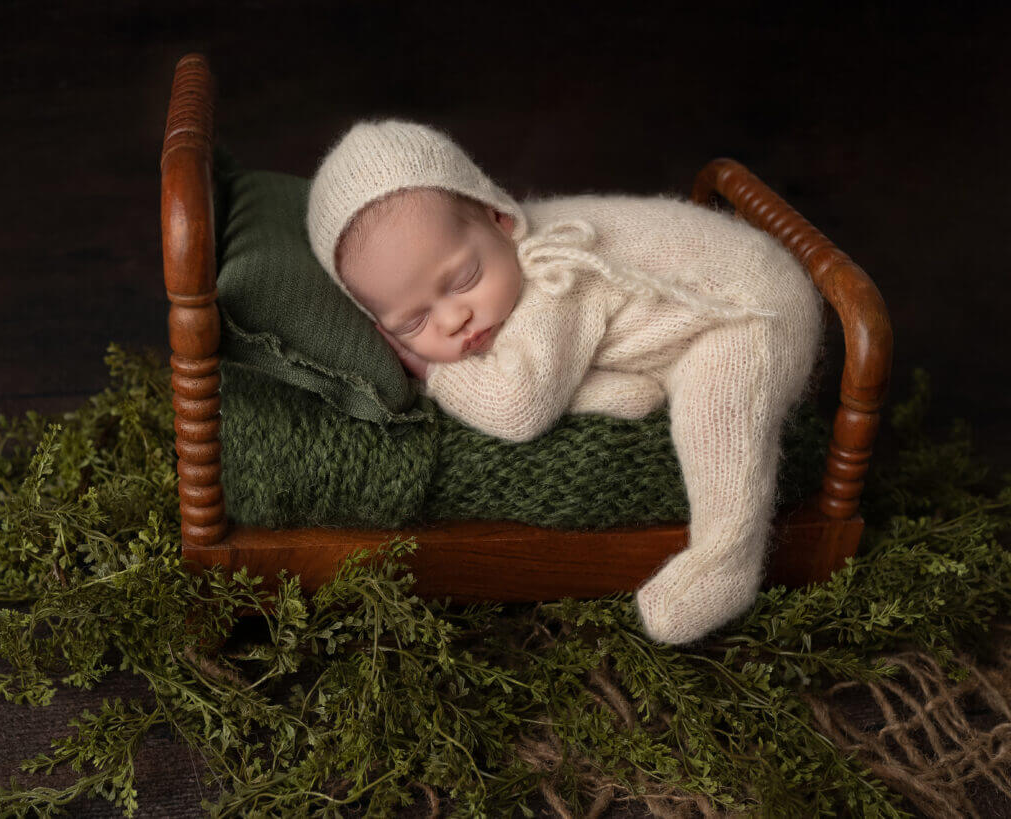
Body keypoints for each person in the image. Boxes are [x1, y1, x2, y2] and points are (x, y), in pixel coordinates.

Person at [307, 120, 824, 645]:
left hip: (750, 310)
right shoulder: (491, 273)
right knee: (585, 374)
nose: (453, 321)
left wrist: (437, 372)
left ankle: (726, 556)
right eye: (412, 324)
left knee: (716, 414)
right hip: (676, 324)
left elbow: (516, 410)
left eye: (463, 280)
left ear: (501, 219)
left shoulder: (556, 279)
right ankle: (618, 381)